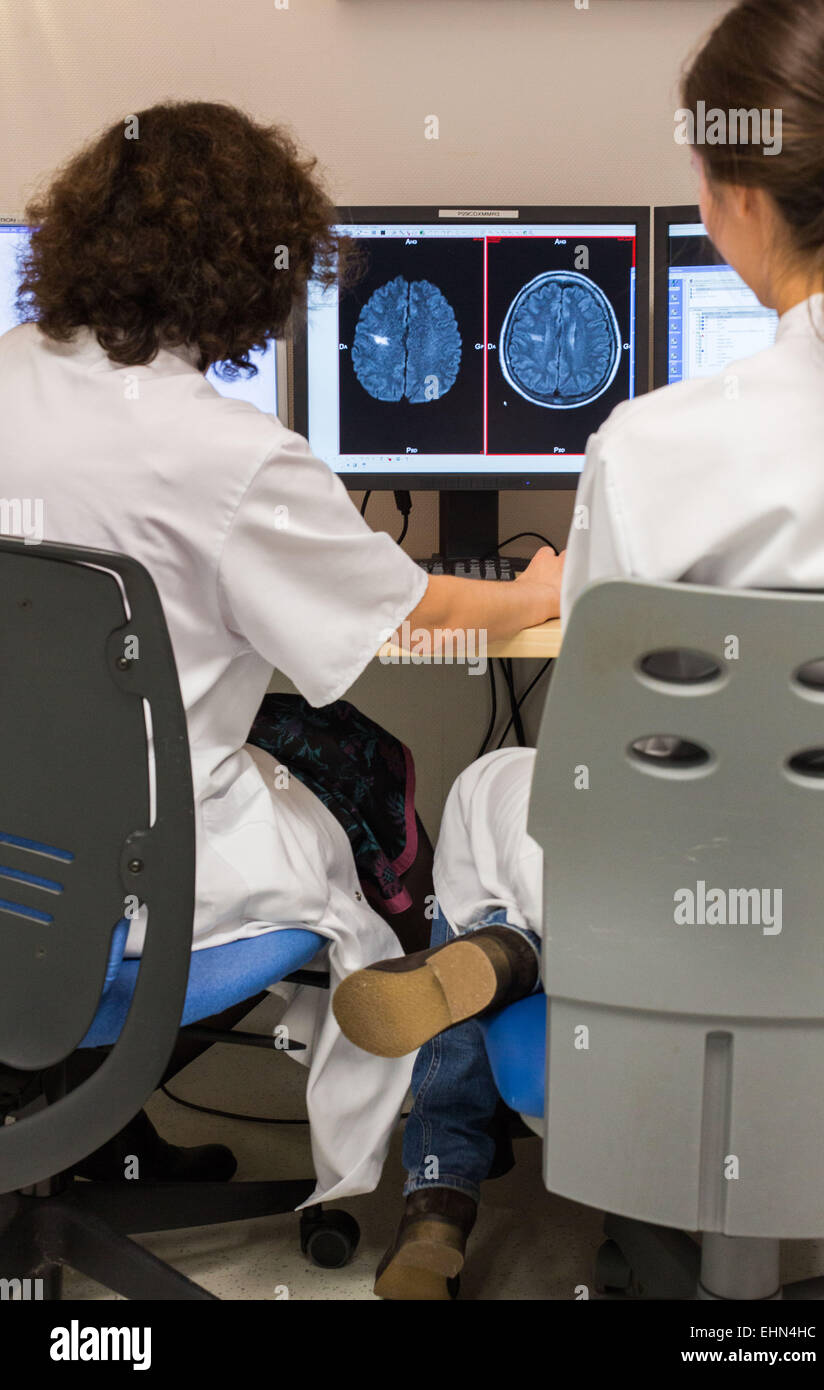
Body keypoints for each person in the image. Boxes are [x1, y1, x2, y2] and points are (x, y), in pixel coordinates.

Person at [334, 0, 824, 1297]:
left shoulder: (652, 442)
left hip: (678, 917)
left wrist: (554, 592)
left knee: (492, 794)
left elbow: (602, 771)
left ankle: (460, 1112)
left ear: (728, 190)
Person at [0, 101, 564, 1200]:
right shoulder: (225, 453)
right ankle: (379, 1174)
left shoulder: (9, 368)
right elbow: (402, 617)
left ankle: (94, 1139)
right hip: (134, 891)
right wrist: (532, 593)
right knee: (365, 829)